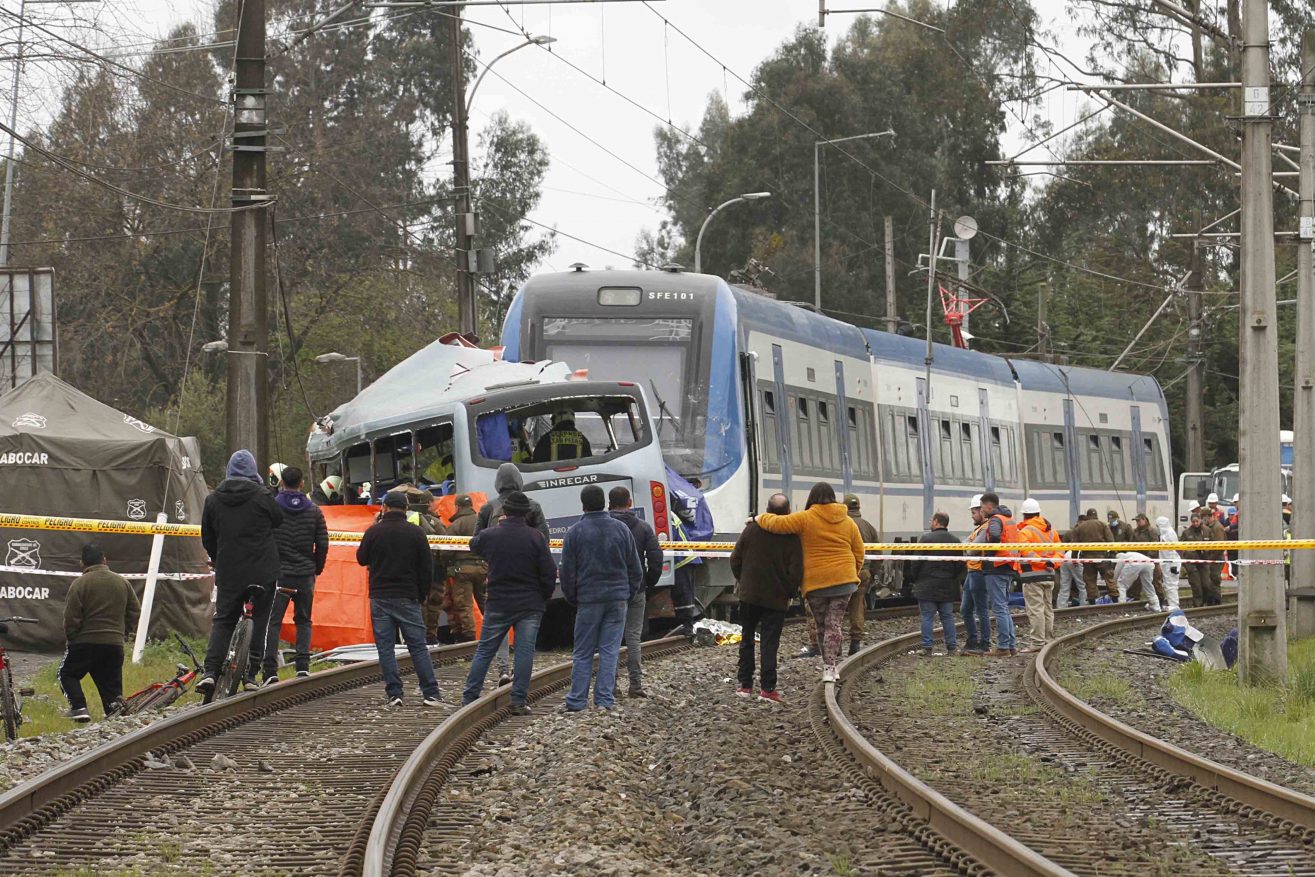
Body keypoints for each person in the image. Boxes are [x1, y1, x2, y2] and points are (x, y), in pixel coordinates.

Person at [757, 482, 865, 681]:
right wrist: (853, 573)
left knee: (822, 626)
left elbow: (776, 524)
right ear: (833, 497)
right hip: (844, 581)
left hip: (816, 584)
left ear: (812, 498)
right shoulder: (848, 521)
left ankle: (828, 666)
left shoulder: (805, 518)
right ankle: (830, 668)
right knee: (835, 625)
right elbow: (859, 551)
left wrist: (757, 517)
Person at [197, 449, 284, 696]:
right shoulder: (263, 496)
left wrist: (217, 558)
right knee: (260, 621)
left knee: (224, 620)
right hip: (263, 570)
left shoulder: (212, 500)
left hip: (230, 571)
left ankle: (210, 672)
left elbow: (207, 537)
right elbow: (279, 519)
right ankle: (251, 675)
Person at [462, 491, 557, 714]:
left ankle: (469, 697)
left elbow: (474, 544)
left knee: (485, 650)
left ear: (504, 511)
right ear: (526, 514)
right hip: (530, 603)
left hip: (498, 602)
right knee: (524, 652)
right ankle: (518, 701)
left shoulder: (490, 535)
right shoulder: (536, 537)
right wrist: (544, 596)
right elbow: (549, 571)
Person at [560, 485, 643, 711]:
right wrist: (628, 593)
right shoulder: (622, 530)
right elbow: (635, 568)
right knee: (610, 650)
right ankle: (604, 700)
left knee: (583, 651)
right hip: (617, 599)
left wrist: (573, 596)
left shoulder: (575, 532)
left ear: (583, 505)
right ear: (604, 503)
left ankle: (577, 701)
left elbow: (567, 572)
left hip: (588, 599)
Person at [356, 491, 442, 706]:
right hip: (408, 595)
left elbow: (361, 558)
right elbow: (426, 568)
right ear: (406, 509)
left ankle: (394, 693)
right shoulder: (416, 533)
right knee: (418, 646)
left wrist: (374, 525)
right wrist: (421, 594)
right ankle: (430, 693)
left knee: (385, 648)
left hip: (380, 596)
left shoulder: (374, 532)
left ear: (384, 508)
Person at [730, 493, 802, 703]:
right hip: (776, 599)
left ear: (768, 510)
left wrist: (743, 581)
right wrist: (789, 591)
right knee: (770, 643)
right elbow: (796, 571)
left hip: (749, 595)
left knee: (747, 638)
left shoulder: (751, 530)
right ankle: (768, 689)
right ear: (788, 512)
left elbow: (735, 559)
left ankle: (745, 685)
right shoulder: (792, 536)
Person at [261, 466, 328, 684]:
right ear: (302, 483)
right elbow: (322, 543)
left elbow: (263, 537)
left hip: (279, 574)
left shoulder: (272, 508)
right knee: (303, 620)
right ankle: (302, 667)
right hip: (304, 574)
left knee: (273, 622)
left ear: (281, 483)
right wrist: (316, 567)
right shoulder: (315, 511)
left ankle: (270, 671)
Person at [60, 544, 140, 721]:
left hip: (84, 643)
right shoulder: (122, 582)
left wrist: (72, 638)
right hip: (114, 644)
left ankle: (79, 707)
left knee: (66, 674)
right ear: (105, 560)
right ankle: (115, 715)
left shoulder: (79, 584)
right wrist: (123, 634)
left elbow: (71, 616)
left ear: (82, 563)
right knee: (110, 685)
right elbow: (135, 612)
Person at [609, 486, 664, 698]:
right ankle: (635, 685)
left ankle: (611, 685)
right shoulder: (642, 527)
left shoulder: (607, 528)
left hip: (612, 589)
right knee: (633, 637)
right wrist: (648, 581)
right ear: (630, 503)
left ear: (610, 504)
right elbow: (656, 557)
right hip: (636, 589)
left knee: (612, 638)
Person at [906, 512, 963, 656]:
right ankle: (952, 647)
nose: (931, 522)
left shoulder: (926, 539)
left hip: (927, 585)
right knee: (947, 616)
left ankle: (927, 648)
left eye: (932, 520)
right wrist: (952, 578)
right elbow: (960, 565)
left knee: (927, 616)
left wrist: (917, 578)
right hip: (947, 586)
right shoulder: (955, 541)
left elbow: (916, 562)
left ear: (937, 522)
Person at [435, 494, 483, 644]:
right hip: (483, 568)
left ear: (457, 507)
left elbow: (446, 549)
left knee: (464, 606)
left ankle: (469, 640)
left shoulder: (457, 525)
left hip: (462, 570)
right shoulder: (482, 522)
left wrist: (445, 564)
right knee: (486, 603)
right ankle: (496, 637)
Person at [978, 492, 1020, 658]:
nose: (981, 511)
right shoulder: (1008, 519)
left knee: (999, 608)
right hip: (1008, 566)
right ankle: (1010, 645)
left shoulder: (995, 519)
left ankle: (1003, 646)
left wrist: (989, 552)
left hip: (996, 566)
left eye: (982, 507)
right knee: (1004, 607)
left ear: (989, 506)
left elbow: (994, 536)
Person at [1017, 498, 1060, 648]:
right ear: (1038, 512)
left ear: (1024, 515)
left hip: (1032, 575)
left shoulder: (1025, 531)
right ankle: (1048, 640)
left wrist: (1042, 562)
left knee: (1035, 609)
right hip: (1050, 574)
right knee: (1048, 609)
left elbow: (1026, 552)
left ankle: (1037, 642)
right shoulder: (1051, 530)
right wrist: (1051, 563)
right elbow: (1060, 551)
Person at [844, 494, 879, 656]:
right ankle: (855, 642)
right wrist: (873, 572)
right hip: (862, 572)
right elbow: (878, 552)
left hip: (843, 572)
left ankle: (834, 643)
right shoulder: (868, 526)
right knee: (857, 606)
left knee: (836, 606)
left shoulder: (842, 525)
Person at [477, 462, 550, 538]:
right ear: (519, 481)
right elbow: (544, 538)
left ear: (497, 483)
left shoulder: (487, 508)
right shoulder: (533, 506)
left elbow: (476, 542)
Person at [959, 495, 992, 656]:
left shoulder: (986, 528)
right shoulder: (978, 529)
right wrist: (967, 546)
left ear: (981, 511)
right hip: (971, 572)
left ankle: (985, 642)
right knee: (965, 609)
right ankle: (972, 639)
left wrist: (967, 546)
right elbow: (964, 544)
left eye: (973, 512)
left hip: (979, 573)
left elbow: (971, 549)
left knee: (981, 609)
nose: (972, 516)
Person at [1069, 508, 1115, 603]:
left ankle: (1093, 601)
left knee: (1090, 580)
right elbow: (1111, 540)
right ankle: (1115, 598)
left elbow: (1075, 545)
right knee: (1108, 577)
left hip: (1087, 558)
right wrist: (1112, 553)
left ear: (1087, 516)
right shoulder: (1103, 525)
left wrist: (1074, 558)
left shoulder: (1080, 527)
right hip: (1102, 556)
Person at [1180, 511, 1225, 606]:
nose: (1195, 523)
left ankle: (1206, 601)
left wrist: (1208, 553)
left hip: (1204, 561)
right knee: (1196, 585)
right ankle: (1198, 604)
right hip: (1191, 562)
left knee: (1206, 584)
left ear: (1200, 520)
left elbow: (1213, 545)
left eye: (1197, 521)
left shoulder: (1207, 531)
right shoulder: (1186, 533)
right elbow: (1180, 547)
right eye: (1193, 522)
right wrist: (1184, 560)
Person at [1155, 515, 1183, 610]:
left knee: (1172, 584)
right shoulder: (1164, 534)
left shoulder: (1170, 534)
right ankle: (1171, 603)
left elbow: (1172, 551)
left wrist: (1172, 565)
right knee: (1168, 584)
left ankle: (1174, 604)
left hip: (1171, 563)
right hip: (1166, 562)